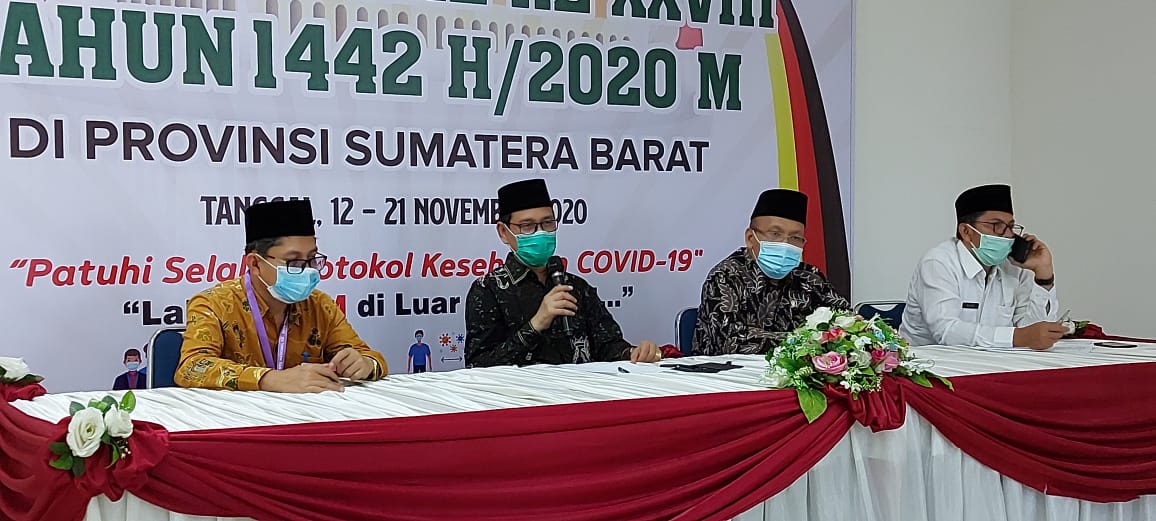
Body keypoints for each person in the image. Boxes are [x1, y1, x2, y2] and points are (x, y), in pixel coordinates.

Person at [175, 200, 388, 392]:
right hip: (237, 417)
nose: (307, 270)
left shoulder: (320, 305)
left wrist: (366, 364)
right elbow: (191, 367)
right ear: (255, 264)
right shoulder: (213, 304)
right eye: (294, 262)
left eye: (312, 259)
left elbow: (369, 356)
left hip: (310, 415)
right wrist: (269, 379)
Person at [465, 179, 662, 367]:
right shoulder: (488, 290)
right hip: (523, 390)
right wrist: (535, 324)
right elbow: (478, 365)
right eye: (527, 226)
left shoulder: (575, 287)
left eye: (547, 223)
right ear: (503, 232)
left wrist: (633, 353)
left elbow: (608, 346)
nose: (540, 233)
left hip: (584, 387)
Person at [900, 184, 1063, 349]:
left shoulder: (1014, 267)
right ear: (966, 231)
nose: (1008, 234)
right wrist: (1018, 337)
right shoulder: (938, 262)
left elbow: (1035, 334)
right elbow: (946, 331)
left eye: (1010, 226)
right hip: (929, 360)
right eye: (996, 225)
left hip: (994, 359)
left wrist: (1044, 273)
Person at [693, 188, 849, 355]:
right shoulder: (725, 277)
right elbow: (730, 342)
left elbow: (848, 323)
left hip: (796, 368)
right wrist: (810, 339)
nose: (785, 244)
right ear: (750, 238)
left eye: (795, 238)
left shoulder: (810, 278)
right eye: (775, 234)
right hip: (725, 369)